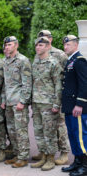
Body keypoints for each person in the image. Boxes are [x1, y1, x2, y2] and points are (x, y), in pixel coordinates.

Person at [33, 29, 70, 165]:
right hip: (39, 100)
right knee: (42, 130)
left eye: (44, 39)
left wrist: (58, 102)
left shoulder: (59, 55)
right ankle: (44, 154)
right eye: (39, 39)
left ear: (50, 40)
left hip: (53, 99)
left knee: (59, 128)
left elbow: (64, 78)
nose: (40, 44)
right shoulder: (37, 58)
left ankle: (63, 153)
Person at [30, 37, 62, 171]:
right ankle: (43, 156)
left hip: (48, 104)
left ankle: (50, 158)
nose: (38, 47)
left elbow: (58, 85)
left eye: (41, 45)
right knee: (38, 132)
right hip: (37, 103)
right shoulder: (35, 63)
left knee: (49, 133)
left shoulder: (54, 63)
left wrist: (56, 104)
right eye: (37, 45)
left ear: (48, 46)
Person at [1, 36, 32, 168]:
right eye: (6, 45)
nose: (7, 47)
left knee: (21, 131)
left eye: (10, 45)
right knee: (12, 131)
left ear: (16, 45)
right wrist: (3, 100)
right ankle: (17, 154)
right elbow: (5, 83)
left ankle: (23, 157)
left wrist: (23, 101)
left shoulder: (23, 60)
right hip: (8, 101)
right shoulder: (6, 61)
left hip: (18, 102)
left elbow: (27, 83)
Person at [60, 35, 87, 176]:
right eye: (65, 45)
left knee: (81, 136)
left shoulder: (79, 61)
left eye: (68, 45)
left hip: (77, 107)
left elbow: (84, 84)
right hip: (70, 106)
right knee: (72, 135)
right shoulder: (70, 61)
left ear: (76, 45)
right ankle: (77, 162)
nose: (65, 47)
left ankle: (85, 166)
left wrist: (80, 104)